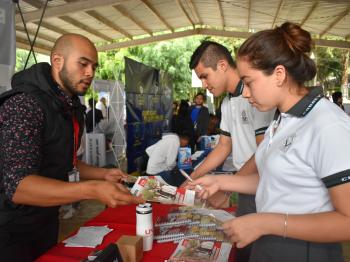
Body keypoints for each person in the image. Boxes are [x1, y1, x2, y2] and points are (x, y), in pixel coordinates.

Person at [190, 22, 350, 262]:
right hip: (271, 243)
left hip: (304, 250)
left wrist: (264, 222)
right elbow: (274, 180)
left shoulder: (327, 124)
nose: (245, 93)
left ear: (279, 74)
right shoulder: (281, 120)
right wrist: (220, 181)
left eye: (249, 82)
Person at [0, 33, 143, 261]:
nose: (90, 73)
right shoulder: (25, 105)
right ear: (57, 61)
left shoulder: (70, 106)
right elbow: (18, 186)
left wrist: (103, 174)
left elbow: (65, 161)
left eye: (93, 66)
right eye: (83, 64)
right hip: (9, 230)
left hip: (45, 220)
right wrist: (92, 189)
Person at [188, 40, 274, 261]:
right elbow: (224, 146)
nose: (203, 84)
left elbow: (263, 149)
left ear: (223, 65)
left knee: (259, 248)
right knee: (242, 248)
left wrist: (226, 188)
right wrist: (193, 177)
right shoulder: (227, 103)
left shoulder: (255, 95)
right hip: (244, 185)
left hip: (264, 185)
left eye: (205, 76)